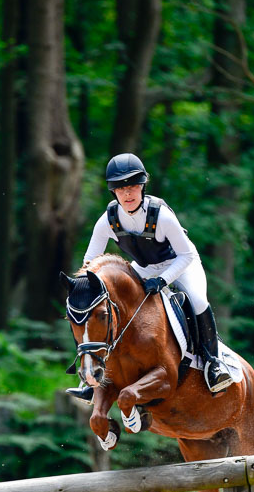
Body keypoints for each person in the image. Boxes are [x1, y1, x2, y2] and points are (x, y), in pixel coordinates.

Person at [66, 153, 233, 401]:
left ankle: (213, 363)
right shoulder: (107, 222)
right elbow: (90, 263)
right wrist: (84, 293)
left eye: (133, 186)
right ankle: (94, 377)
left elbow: (185, 255)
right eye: (121, 189)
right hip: (144, 267)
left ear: (142, 186)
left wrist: (164, 280)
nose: (128, 194)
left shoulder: (162, 216)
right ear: (114, 192)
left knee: (197, 300)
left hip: (181, 263)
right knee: (103, 311)